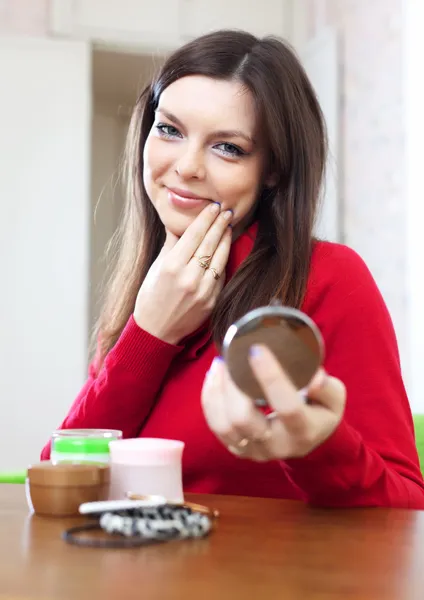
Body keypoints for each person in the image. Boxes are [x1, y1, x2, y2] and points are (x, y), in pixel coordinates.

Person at [41, 29, 424, 509]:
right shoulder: (146, 289)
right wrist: (148, 334)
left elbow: (409, 509)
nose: (186, 166)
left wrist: (318, 449)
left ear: (273, 170)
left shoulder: (330, 278)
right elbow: (63, 478)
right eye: (169, 130)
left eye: (228, 147)